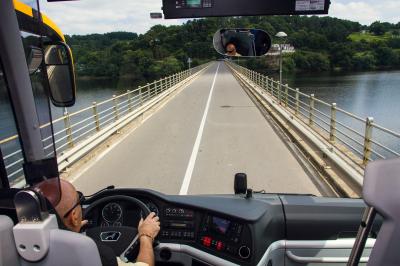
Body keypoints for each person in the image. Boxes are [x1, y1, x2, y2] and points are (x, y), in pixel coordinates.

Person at [36, 179, 160, 266]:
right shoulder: (98, 255)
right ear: (74, 217)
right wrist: (146, 236)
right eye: (79, 200)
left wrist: (73, 230)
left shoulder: (24, 247)